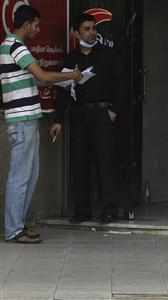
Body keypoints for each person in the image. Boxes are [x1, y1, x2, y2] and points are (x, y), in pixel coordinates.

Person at [0, 5, 82, 243]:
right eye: (36, 25)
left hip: (27, 119)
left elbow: (39, 80)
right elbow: (43, 77)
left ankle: (18, 225)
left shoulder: (12, 46)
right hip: (22, 120)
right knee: (20, 177)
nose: (38, 30)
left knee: (30, 175)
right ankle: (14, 229)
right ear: (26, 24)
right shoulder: (15, 46)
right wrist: (71, 76)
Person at [50, 13, 126, 224]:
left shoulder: (107, 55)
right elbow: (64, 92)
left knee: (104, 160)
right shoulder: (70, 59)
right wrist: (57, 120)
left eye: (93, 28)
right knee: (80, 161)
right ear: (76, 33)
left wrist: (114, 111)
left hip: (102, 113)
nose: (92, 32)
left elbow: (122, 83)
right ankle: (82, 209)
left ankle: (109, 209)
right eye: (87, 28)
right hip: (79, 114)